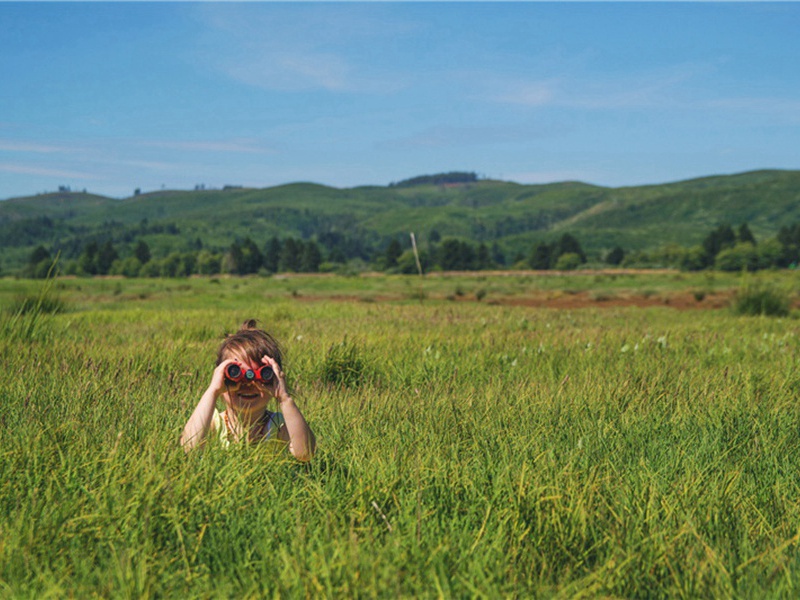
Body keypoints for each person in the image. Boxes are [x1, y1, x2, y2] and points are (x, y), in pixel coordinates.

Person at [180, 319, 316, 461]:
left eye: (261, 375)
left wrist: (284, 398)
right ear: (221, 376)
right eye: (236, 374)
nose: (249, 384)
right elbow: (190, 448)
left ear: (274, 379)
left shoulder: (279, 425)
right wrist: (213, 391)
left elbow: (305, 453)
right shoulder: (214, 423)